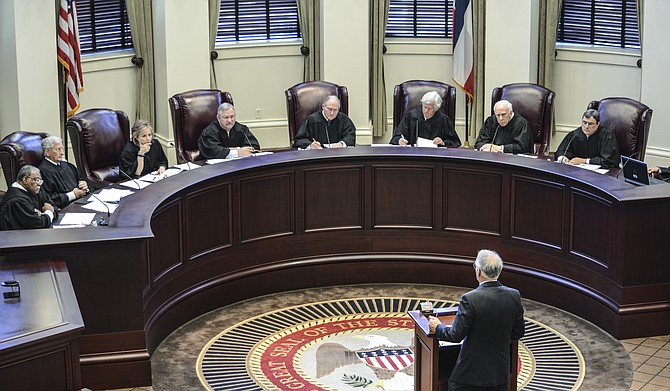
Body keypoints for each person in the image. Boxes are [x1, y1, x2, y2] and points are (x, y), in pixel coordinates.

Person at [428, 249, 525, 391]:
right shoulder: (514, 296)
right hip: (499, 374)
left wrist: (438, 328)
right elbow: (518, 332)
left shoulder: (470, 299)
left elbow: (455, 335)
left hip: (470, 377)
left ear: (478, 271)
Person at [389, 91, 461, 147]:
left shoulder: (443, 120)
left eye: (429, 108)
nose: (426, 111)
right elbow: (396, 137)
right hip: (413, 155)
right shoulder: (411, 116)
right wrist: (399, 141)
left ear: (436, 108)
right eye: (425, 107)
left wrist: (443, 142)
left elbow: (455, 142)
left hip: (434, 158)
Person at [554, 109, 620, 169]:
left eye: (590, 124)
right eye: (584, 122)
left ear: (598, 124)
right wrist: (563, 158)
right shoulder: (575, 135)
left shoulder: (607, 136)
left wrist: (584, 161)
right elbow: (561, 151)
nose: (586, 126)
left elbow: (609, 161)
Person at [0, 165, 57, 230]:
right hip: (17, 237)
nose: (39, 184)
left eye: (40, 181)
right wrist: (49, 211)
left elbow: (54, 207)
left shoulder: (35, 191)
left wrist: (45, 215)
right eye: (37, 180)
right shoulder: (16, 200)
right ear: (25, 180)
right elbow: (37, 224)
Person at [38, 135, 89, 208]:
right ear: (47, 152)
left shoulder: (67, 165)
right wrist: (73, 195)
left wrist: (83, 185)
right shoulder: (43, 172)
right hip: (65, 208)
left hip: (82, 202)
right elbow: (48, 198)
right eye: (58, 149)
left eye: (62, 149)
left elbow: (80, 179)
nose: (62, 153)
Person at [292, 95, 356, 149]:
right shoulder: (312, 119)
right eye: (329, 109)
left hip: (338, 154)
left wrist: (342, 143)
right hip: (318, 155)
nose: (332, 113)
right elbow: (299, 140)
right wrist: (311, 145)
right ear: (323, 106)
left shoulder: (343, 119)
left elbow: (351, 136)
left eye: (335, 110)